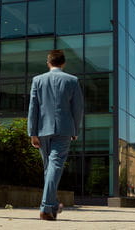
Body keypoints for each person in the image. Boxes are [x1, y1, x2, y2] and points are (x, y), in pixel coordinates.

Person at [28, 50, 83, 221]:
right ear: (63, 63)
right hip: (64, 129)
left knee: (49, 168)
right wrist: (75, 129)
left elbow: (33, 107)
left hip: (42, 130)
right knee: (54, 166)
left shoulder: (37, 80)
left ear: (48, 62)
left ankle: (52, 206)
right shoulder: (72, 80)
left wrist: (33, 132)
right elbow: (78, 108)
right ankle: (46, 207)